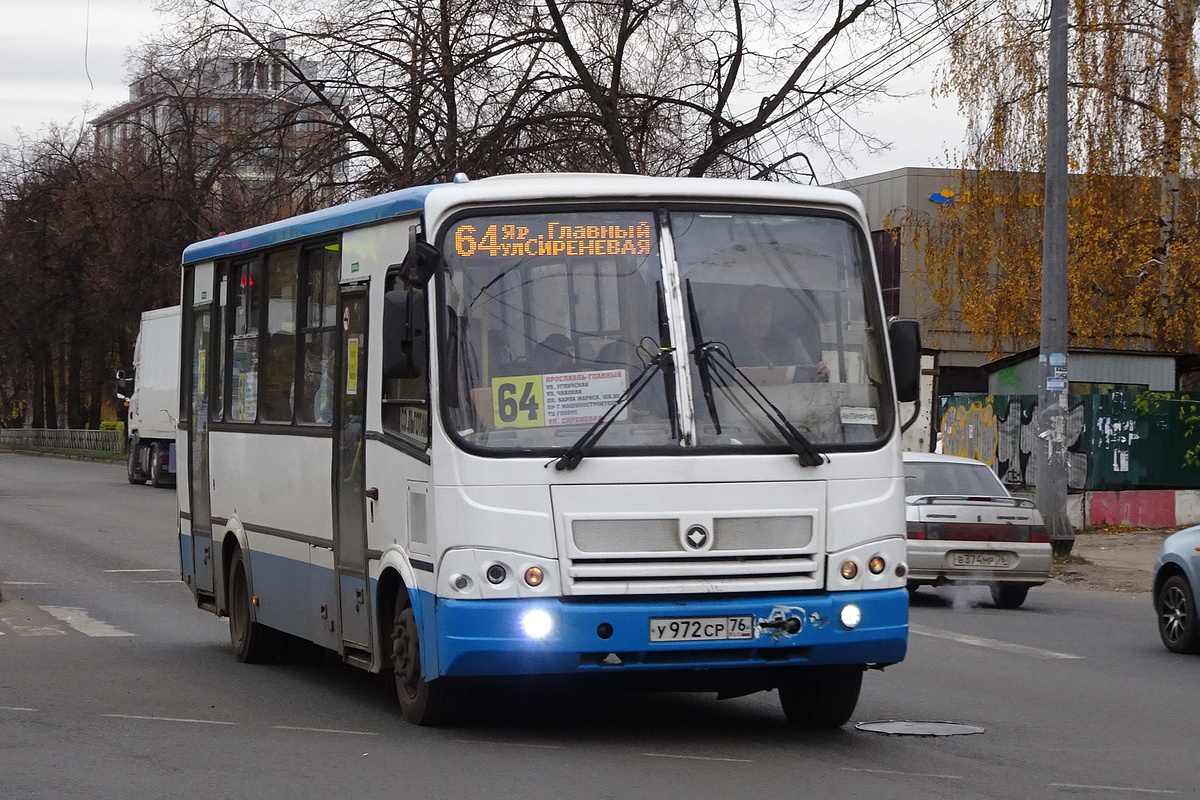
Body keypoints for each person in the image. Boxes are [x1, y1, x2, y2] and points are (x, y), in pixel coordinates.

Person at [722, 287, 829, 382]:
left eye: (766, 313)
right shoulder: (724, 349)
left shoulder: (787, 342)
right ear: (740, 316)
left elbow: (806, 373)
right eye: (754, 313)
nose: (761, 320)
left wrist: (818, 375)